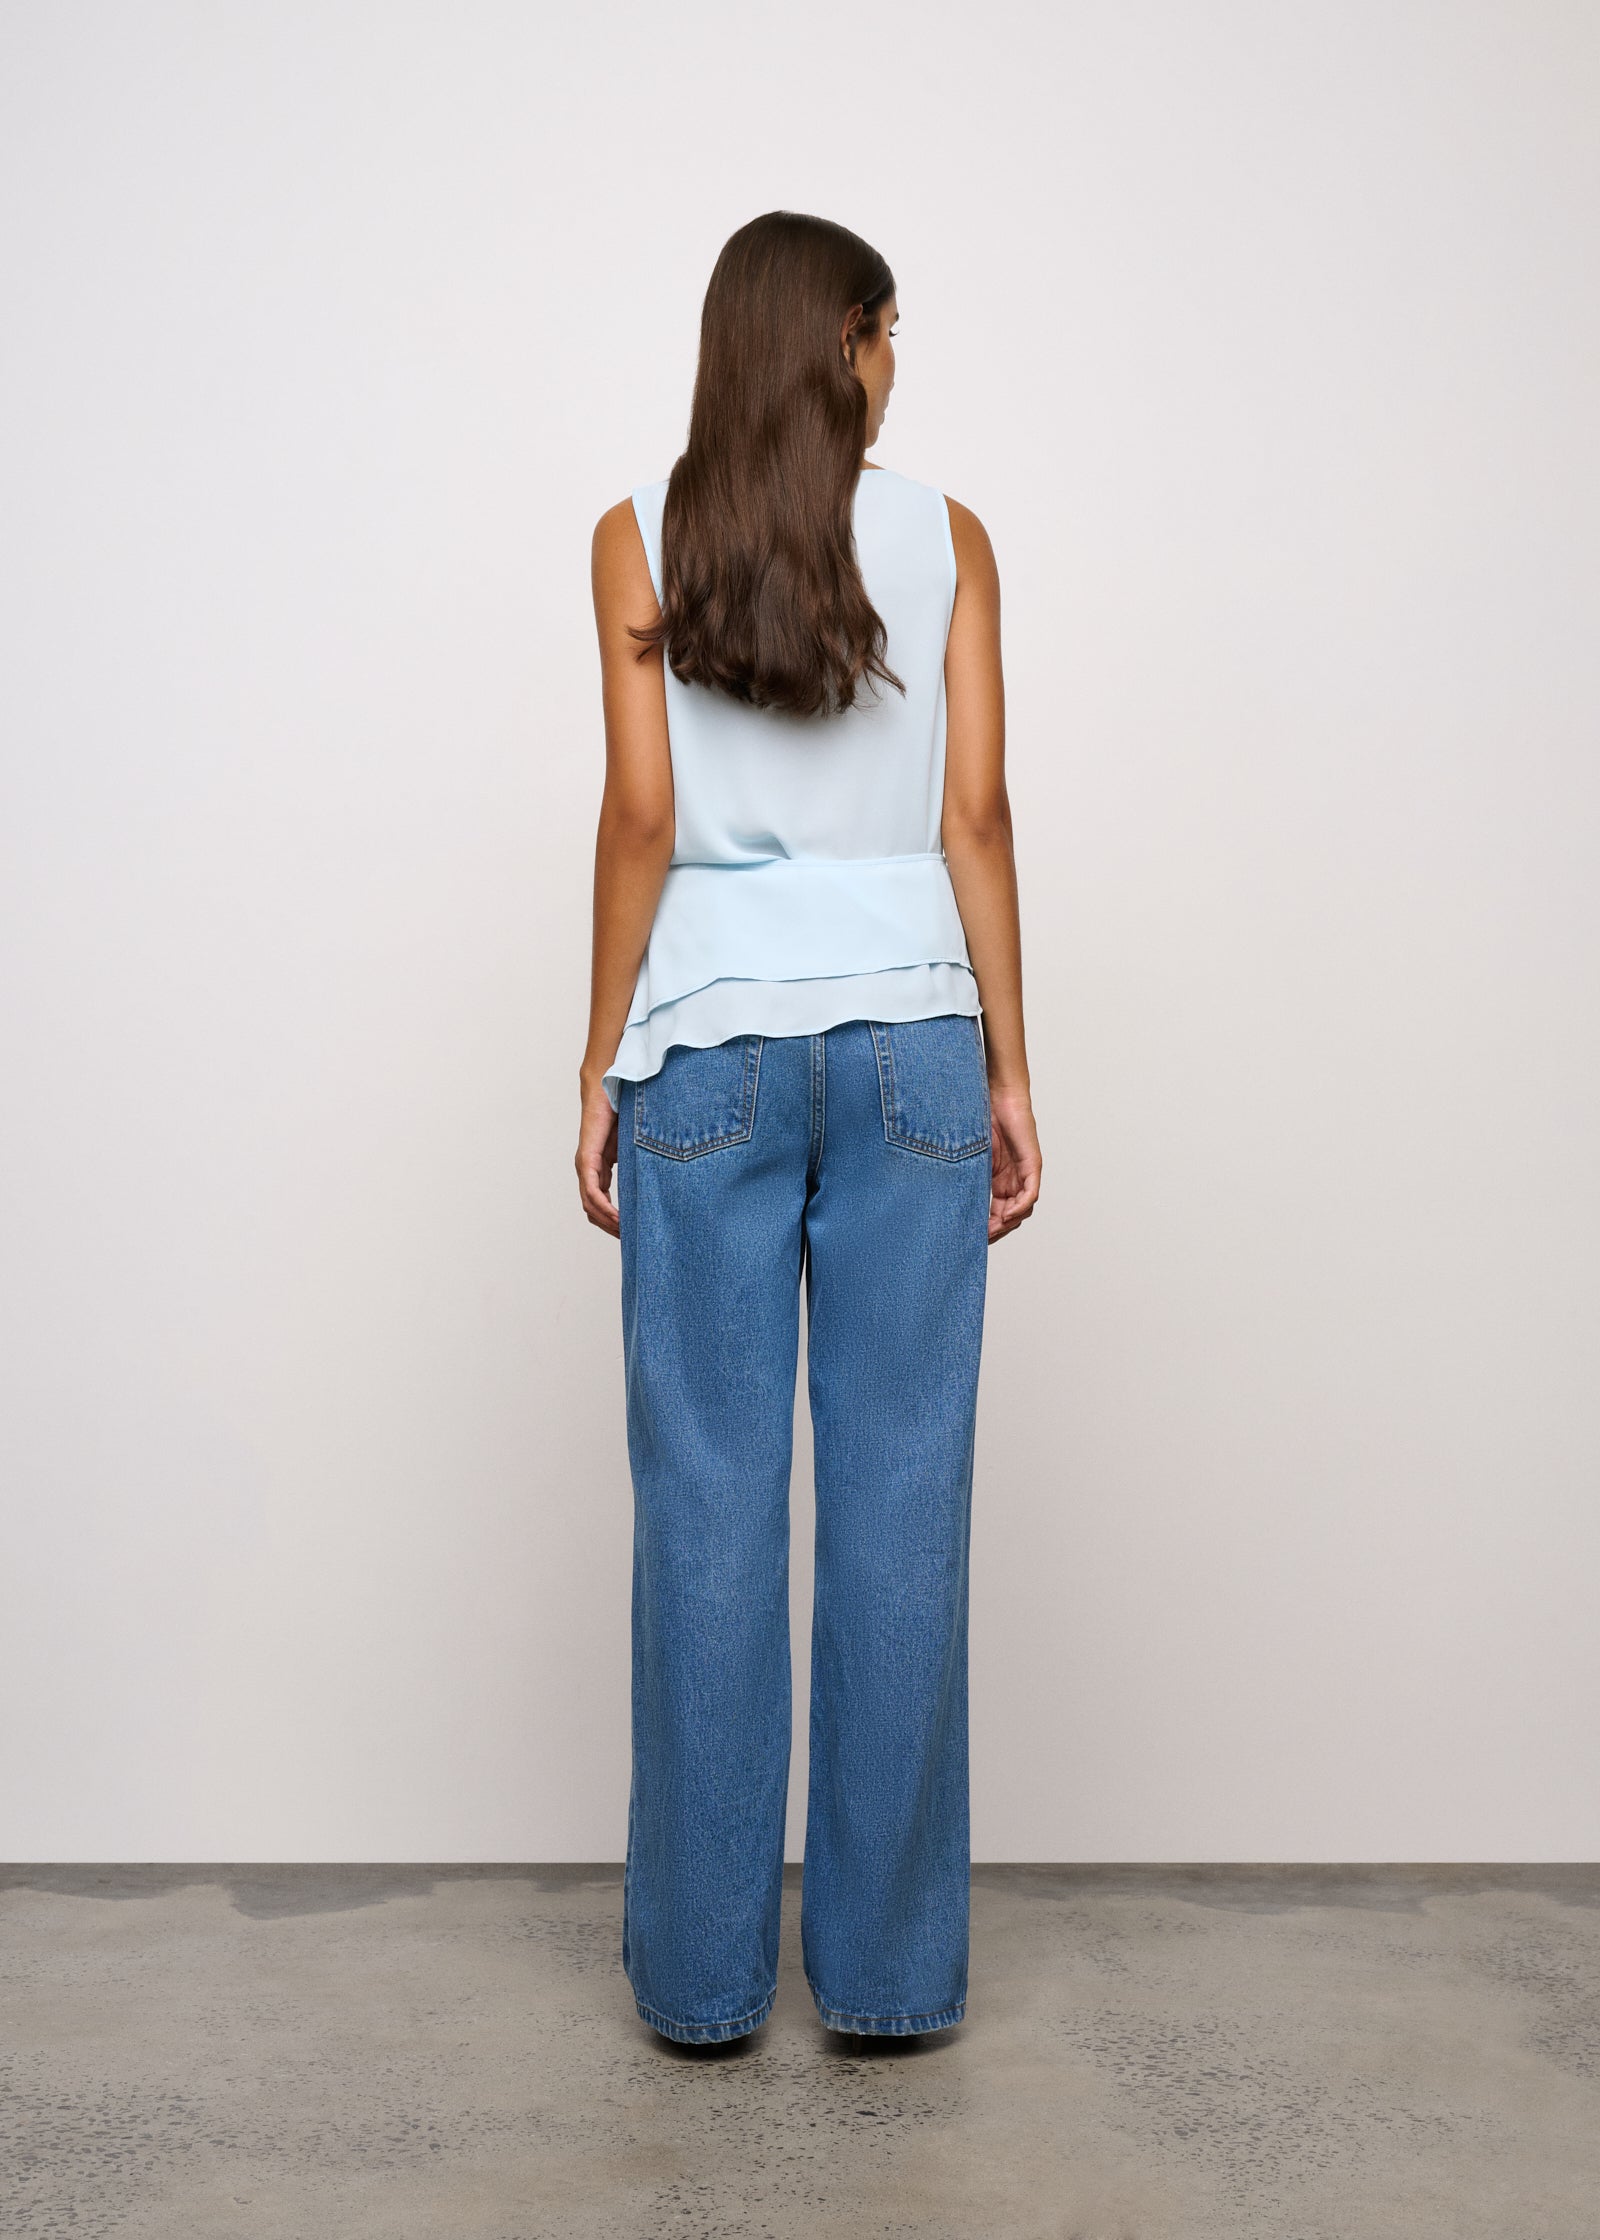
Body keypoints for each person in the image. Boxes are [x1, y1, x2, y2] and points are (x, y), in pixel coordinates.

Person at [575, 210, 1041, 2048]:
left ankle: (702, 1987)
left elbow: (640, 815)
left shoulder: (638, 534)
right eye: (888, 330)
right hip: (915, 1040)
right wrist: (1012, 1068)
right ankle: (891, 1982)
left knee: (706, 1503)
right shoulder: (952, 539)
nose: (897, 363)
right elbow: (976, 816)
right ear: (838, 341)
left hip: (711, 1051)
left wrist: (601, 1058)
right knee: (904, 1495)